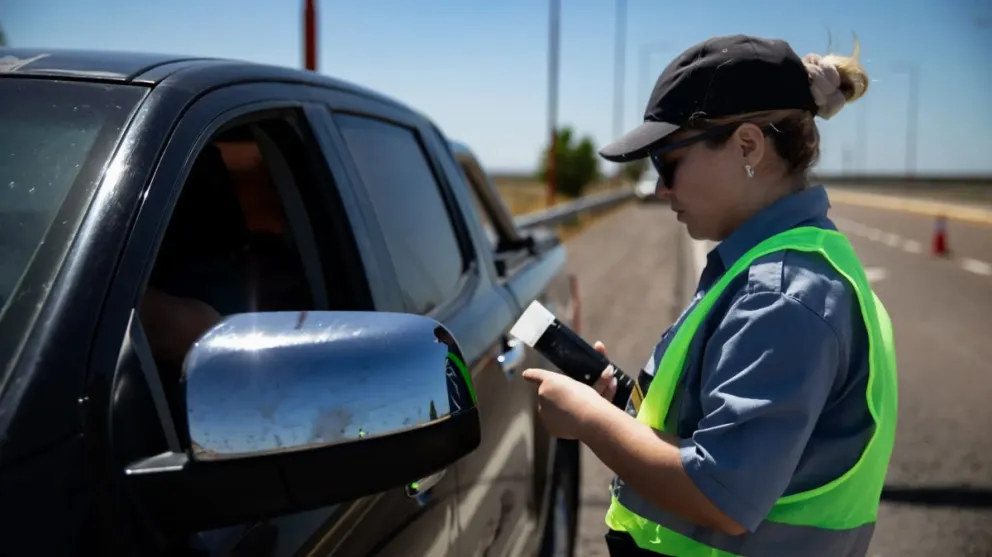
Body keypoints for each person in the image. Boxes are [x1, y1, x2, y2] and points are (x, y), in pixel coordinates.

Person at [521, 34, 898, 557]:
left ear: (747, 146)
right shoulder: (770, 267)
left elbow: (720, 493)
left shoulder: (782, 297)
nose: (659, 190)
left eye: (666, 163)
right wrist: (626, 413)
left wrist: (590, 419)